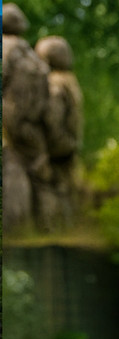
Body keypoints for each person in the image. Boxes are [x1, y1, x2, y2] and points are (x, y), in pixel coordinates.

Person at [2, 2, 50, 232]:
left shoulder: (5, 47)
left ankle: (15, 228)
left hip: (9, 119)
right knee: (37, 169)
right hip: (33, 122)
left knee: (12, 167)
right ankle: (41, 225)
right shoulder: (30, 52)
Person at [35, 34, 84, 227]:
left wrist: (45, 145)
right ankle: (68, 225)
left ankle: (51, 229)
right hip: (70, 143)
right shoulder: (70, 80)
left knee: (48, 186)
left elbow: (53, 117)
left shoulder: (54, 82)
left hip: (57, 145)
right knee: (67, 190)